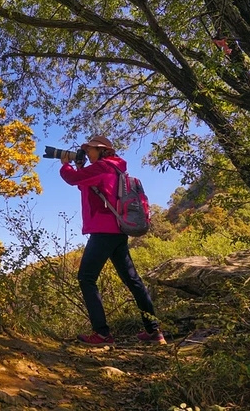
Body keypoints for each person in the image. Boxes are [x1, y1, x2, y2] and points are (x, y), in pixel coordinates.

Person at [59, 135, 166, 346]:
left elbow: (73, 180)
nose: (87, 153)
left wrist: (66, 165)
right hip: (118, 231)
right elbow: (86, 186)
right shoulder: (115, 169)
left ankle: (102, 334)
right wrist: (80, 167)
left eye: (90, 149)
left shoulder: (102, 167)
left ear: (101, 150)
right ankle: (154, 331)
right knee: (132, 280)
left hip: (103, 230)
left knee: (86, 277)